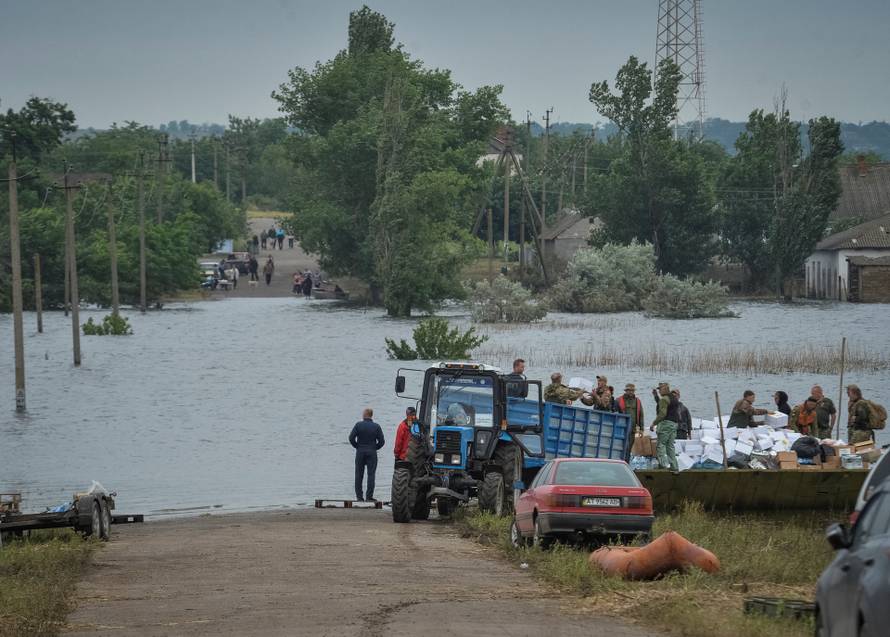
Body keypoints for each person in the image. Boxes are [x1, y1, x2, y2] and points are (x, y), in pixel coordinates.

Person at [349, 408, 385, 502]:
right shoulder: (376, 426)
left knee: (358, 475)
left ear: (365, 415)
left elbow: (351, 438)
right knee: (371, 474)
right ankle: (369, 497)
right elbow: (382, 441)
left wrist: (357, 446)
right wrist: (375, 448)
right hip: (372, 452)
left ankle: (359, 497)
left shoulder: (358, 425)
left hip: (360, 451)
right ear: (371, 415)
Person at [651, 382, 679, 471]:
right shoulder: (674, 398)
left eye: (660, 389)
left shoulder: (664, 399)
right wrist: (655, 396)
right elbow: (661, 404)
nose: (659, 391)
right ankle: (674, 466)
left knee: (661, 444)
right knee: (670, 446)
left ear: (664, 389)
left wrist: (654, 423)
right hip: (674, 424)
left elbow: (662, 413)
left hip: (666, 424)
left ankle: (663, 465)